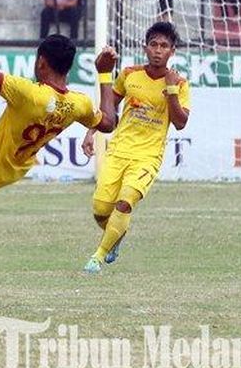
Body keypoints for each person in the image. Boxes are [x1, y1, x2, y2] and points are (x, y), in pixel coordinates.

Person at [0, 0, 116, 321]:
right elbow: (108, 122)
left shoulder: (29, 93)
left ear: (42, 62)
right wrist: (104, 74)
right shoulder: (79, 103)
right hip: (15, 164)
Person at [81, 22, 190, 274]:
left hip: (147, 157)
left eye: (164, 46)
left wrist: (171, 90)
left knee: (124, 202)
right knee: (100, 210)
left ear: (172, 51)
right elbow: (108, 107)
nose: (158, 50)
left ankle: (97, 257)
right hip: (119, 150)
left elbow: (181, 123)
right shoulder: (129, 74)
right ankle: (117, 235)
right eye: (153, 44)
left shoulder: (180, 83)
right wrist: (91, 130)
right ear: (145, 47)